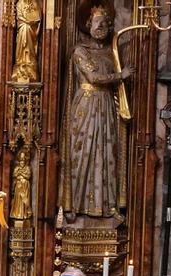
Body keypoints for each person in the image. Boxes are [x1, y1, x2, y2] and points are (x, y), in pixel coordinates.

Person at [59, 4, 127, 224]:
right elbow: (94, 77)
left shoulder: (110, 52)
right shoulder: (81, 51)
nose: (102, 27)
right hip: (86, 106)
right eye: (98, 23)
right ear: (88, 25)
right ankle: (75, 206)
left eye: (106, 24)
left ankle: (105, 206)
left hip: (106, 105)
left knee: (106, 154)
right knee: (83, 155)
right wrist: (121, 75)